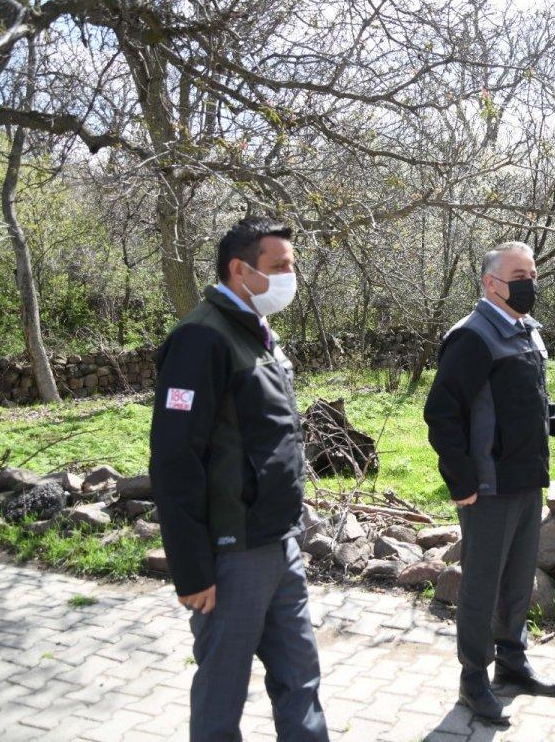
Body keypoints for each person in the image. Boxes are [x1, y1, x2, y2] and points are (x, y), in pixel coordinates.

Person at [149, 218, 328, 741]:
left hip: (279, 541)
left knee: (301, 680)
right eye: (279, 267)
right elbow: (175, 460)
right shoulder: (200, 339)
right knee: (223, 691)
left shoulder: (258, 334)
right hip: (233, 554)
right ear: (239, 269)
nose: (289, 278)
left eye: (291, 266)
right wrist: (190, 568)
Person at [423, 241, 555, 725]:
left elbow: (535, 397)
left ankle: (512, 662)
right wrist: (461, 481)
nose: (530, 282)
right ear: (490, 283)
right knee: (481, 584)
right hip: (488, 486)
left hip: (525, 479)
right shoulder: (472, 337)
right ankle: (474, 678)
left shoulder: (526, 332)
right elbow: (441, 413)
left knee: (517, 579)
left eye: (533, 273)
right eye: (520, 273)